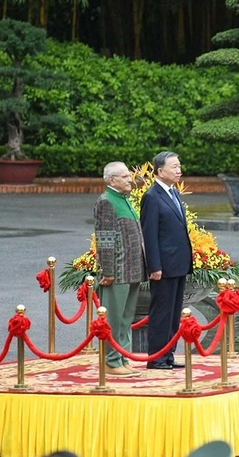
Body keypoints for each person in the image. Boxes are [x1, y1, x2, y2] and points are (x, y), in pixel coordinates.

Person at [140, 151, 193, 370]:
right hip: (163, 266)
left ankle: (168, 354)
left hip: (178, 264)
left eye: (179, 166)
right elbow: (149, 234)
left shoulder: (173, 192)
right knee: (161, 313)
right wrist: (155, 266)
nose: (178, 170)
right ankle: (157, 357)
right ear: (160, 171)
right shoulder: (152, 196)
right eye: (174, 167)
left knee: (173, 314)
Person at [94, 161, 147, 377]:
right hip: (116, 271)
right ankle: (111, 360)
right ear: (111, 180)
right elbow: (104, 239)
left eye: (129, 176)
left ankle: (122, 356)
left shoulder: (124, 199)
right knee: (114, 320)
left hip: (132, 269)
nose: (129, 180)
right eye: (124, 177)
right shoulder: (107, 201)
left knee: (126, 319)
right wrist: (107, 271)